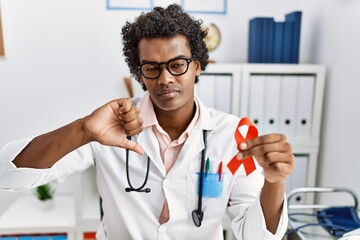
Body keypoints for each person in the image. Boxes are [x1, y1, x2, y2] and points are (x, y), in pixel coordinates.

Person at [0, 4, 294, 240]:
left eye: (177, 65)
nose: (165, 79)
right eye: (152, 68)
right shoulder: (108, 130)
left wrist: (275, 182)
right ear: (139, 74)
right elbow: (8, 176)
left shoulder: (233, 134)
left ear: (198, 67)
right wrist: (82, 130)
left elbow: (258, 236)